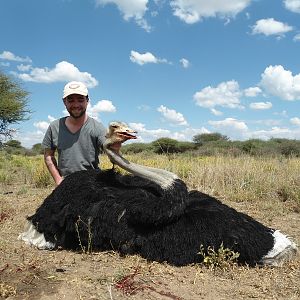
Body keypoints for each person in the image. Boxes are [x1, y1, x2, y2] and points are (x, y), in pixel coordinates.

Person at [42, 81, 107, 185]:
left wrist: (116, 142)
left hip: (92, 183)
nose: (76, 105)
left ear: (87, 101)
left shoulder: (97, 127)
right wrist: (58, 180)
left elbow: (110, 150)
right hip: (66, 184)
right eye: (71, 100)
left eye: (80, 100)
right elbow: (48, 156)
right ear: (64, 102)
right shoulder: (54, 127)